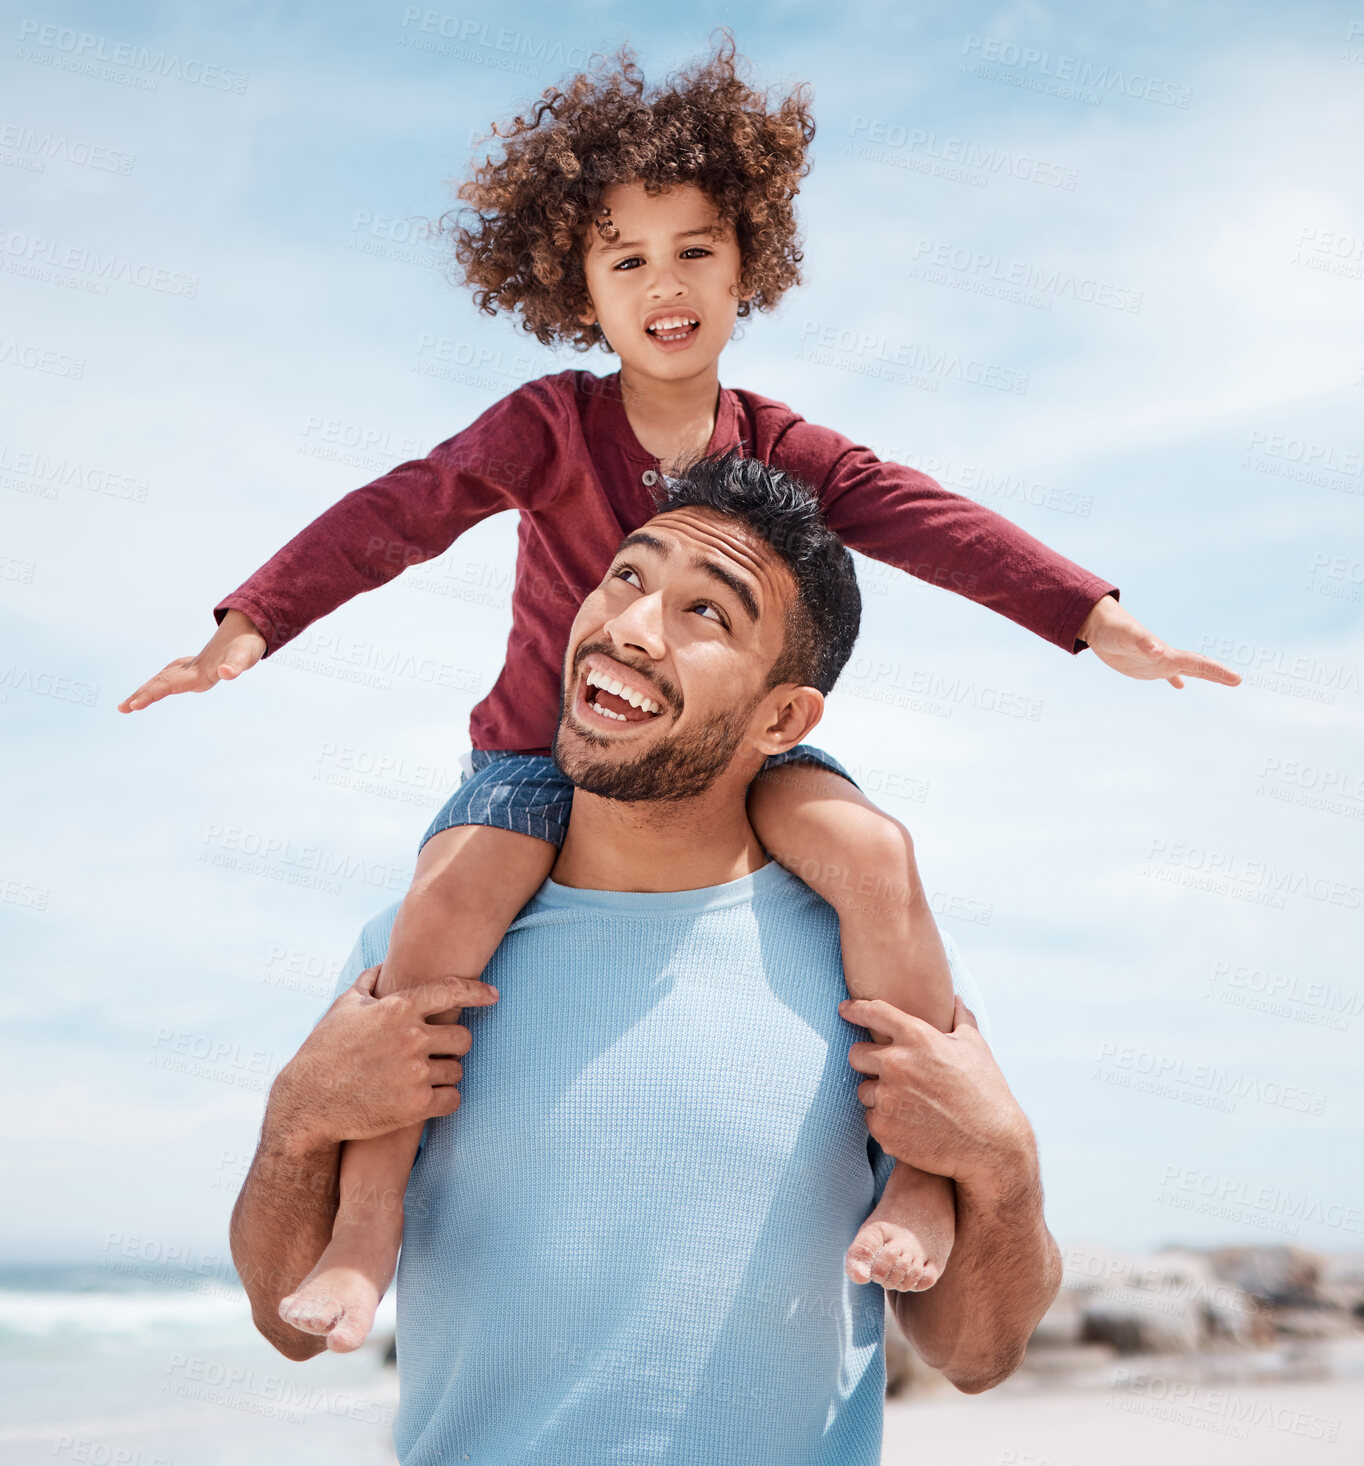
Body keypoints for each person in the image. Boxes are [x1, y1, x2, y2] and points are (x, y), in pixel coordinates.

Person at [126, 33, 1238, 1352]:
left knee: (872, 849)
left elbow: (929, 516)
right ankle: (371, 1221)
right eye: (627, 256)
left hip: (733, 758)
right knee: (448, 892)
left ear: (745, 264)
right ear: (576, 286)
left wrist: (1090, 614)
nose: (666, 283)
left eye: (695, 248)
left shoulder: (783, 448)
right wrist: (251, 623)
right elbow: (405, 508)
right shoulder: (548, 423)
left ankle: (925, 1175)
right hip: (540, 759)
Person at [229, 461, 1064, 1464]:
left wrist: (1002, 1165)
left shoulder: (871, 948)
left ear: (781, 721)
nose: (629, 625)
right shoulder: (414, 947)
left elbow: (974, 1351)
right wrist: (297, 1118)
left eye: (706, 611)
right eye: (625, 577)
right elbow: (288, 1325)